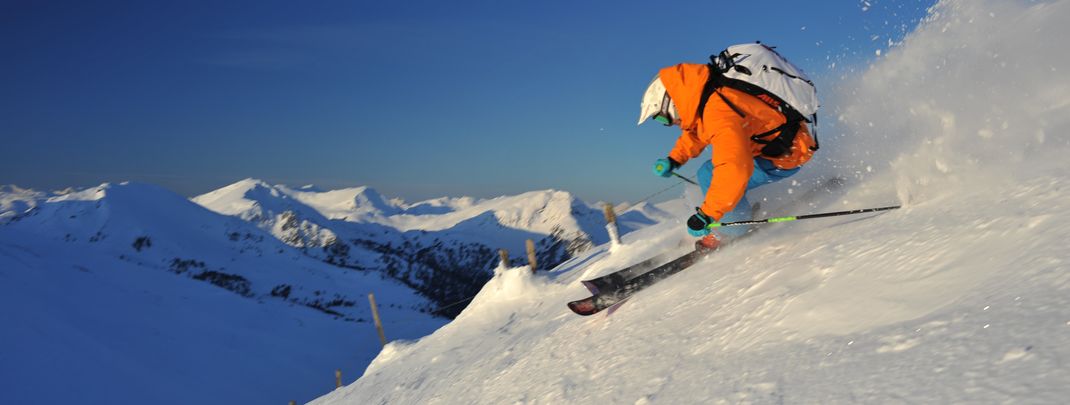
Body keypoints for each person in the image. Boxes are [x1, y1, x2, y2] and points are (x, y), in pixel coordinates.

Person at [638, 62, 817, 250]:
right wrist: (675, 158)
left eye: (662, 118)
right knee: (708, 172)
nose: (667, 123)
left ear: (671, 102)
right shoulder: (711, 96)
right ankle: (737, 213)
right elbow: (698, 131)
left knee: (711, 175)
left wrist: (706, 215)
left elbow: (733, 170)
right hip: (785, 145)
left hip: (787, 155)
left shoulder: (718, 113)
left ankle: (732, 231)